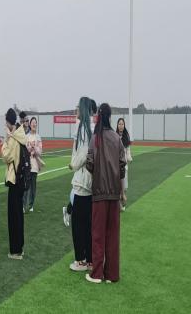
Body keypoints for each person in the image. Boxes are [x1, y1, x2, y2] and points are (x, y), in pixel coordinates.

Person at [86, 103, 126, 283]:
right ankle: (112, 274)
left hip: (99, 193)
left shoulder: (95, 138)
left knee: (98, 235)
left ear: (99, 116)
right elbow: (122, 166)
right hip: (114, 194)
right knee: (112, 235)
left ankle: (96, 274)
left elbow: (89, 163)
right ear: (110, 117)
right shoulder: (117, 139)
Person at [67, 97, 94, 272]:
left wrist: (73, 165)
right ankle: (89, 259)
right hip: (89, 181)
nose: (76, 110)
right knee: (88, 225)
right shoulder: (90, 128)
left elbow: (83, 153)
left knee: (78, 224)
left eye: (78, 107)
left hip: (82, 181)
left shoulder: (83, 128)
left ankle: (81, 261)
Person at [2, 108, 27, 260]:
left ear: (8, 122)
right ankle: (20, 247)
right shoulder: (20, 134)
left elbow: (6, 156)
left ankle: (15, 250)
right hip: (21, 179)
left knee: (13, 217)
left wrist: (6, 140)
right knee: (19, 215)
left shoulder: (13, 138)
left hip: (14, 180)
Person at [24, 117, 43, 212]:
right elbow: (24, 150)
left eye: (35, 123)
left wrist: (34, 148)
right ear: (30, 124)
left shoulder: (38, 137)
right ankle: (24, 205)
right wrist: (29, 148)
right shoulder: (26, 136)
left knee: (33, 186)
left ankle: (31, 205)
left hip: (35, 165)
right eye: (32, 123)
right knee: (26, 186)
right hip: (27, 164)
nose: (34, 124)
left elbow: (40, 152)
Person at [116, 118, 133, 211]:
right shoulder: (114, 135)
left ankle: (122, 202)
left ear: (124, 125)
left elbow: (128, 150)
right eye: (119, 124)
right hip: (116, 165)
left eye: (122, 124)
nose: (121, 126)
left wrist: (129, 158)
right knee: (118, 186)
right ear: (117, 125)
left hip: (124, 165)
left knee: (124, 186)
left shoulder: (126, 136)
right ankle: (119, 205)